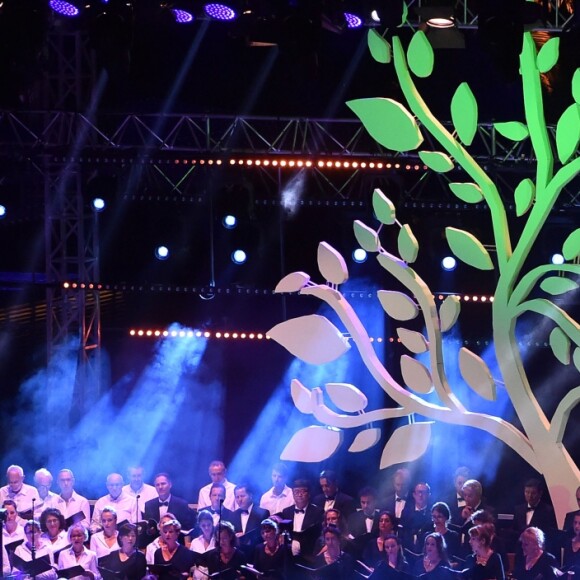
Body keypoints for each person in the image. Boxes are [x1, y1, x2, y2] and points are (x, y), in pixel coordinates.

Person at [279, 479, 324, 560]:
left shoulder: (317, 512)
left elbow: (317, 535)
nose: (300, 494)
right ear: (292, 494)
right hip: (288, 554)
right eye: (296, 492)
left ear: (309, 494)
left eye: (303, 491)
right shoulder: (286, 511)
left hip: (309, 554)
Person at [230, 483, 269, 552]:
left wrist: (246, 537)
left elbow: (265, 536)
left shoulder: (262, 513)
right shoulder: (233, 515)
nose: (239, 499)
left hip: (256, 553)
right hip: (239, 554)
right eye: (237, 497)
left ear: (250, 496)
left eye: (242, 496)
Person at [400, 482, 432, 550]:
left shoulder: (432, 513)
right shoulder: (406, 512)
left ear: (429, 495)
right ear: (414, 494)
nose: (420, 495)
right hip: (407, 548)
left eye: (423, 492)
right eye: (418, 492)